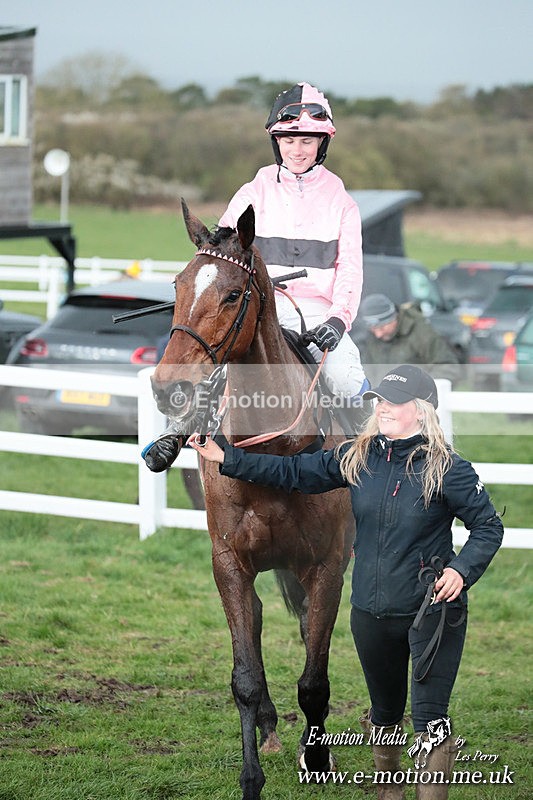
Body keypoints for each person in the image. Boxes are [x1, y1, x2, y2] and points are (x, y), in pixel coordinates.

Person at [187, 364, 503, 800]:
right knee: (386, 715)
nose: (384, 409)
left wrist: (460, 570)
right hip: (370, 614)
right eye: (380, 402)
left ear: (422, 411)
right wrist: (230, 459)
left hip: (430, 612)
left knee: (430, 720)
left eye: (395, 403)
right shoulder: (358, 457)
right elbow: (295, 473)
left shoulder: (449, 468)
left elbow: (488, 527)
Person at [218, 81, 369, 428]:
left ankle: (373, 454)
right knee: (204, 362)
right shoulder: (250, 193)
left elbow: (350, 271)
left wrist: (338, 320)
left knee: (346, 379)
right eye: (288, 140)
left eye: (306, 140)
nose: (297, 150)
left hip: (317, 314)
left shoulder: (343, 203)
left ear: (322, 143)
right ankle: (175, 433)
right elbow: (223, 256)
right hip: (256, 304)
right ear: (277, 142)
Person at [359, 294, 462, 388]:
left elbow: (448, 367)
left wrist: (419, 390)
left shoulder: (421, 333)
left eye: (382, 327)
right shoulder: (367, 338)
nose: (378, 334)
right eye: (373, 328)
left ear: (394, 318)